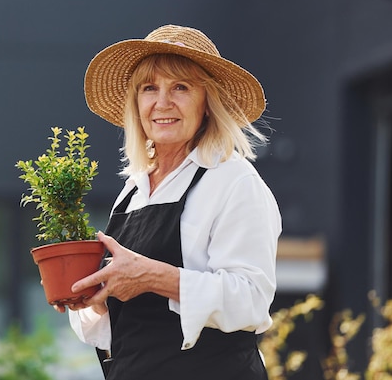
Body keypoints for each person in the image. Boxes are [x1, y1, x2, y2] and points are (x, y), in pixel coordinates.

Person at [59, 25, 282, 379]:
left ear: (208, 102)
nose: (163, 103)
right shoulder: (132, 192)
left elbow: (251, 300)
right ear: (136, 103)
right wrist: (92, 299)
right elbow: (120, 331)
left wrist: (152, 277)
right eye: (150, 88)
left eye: (181, 87)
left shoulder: (233, 181)